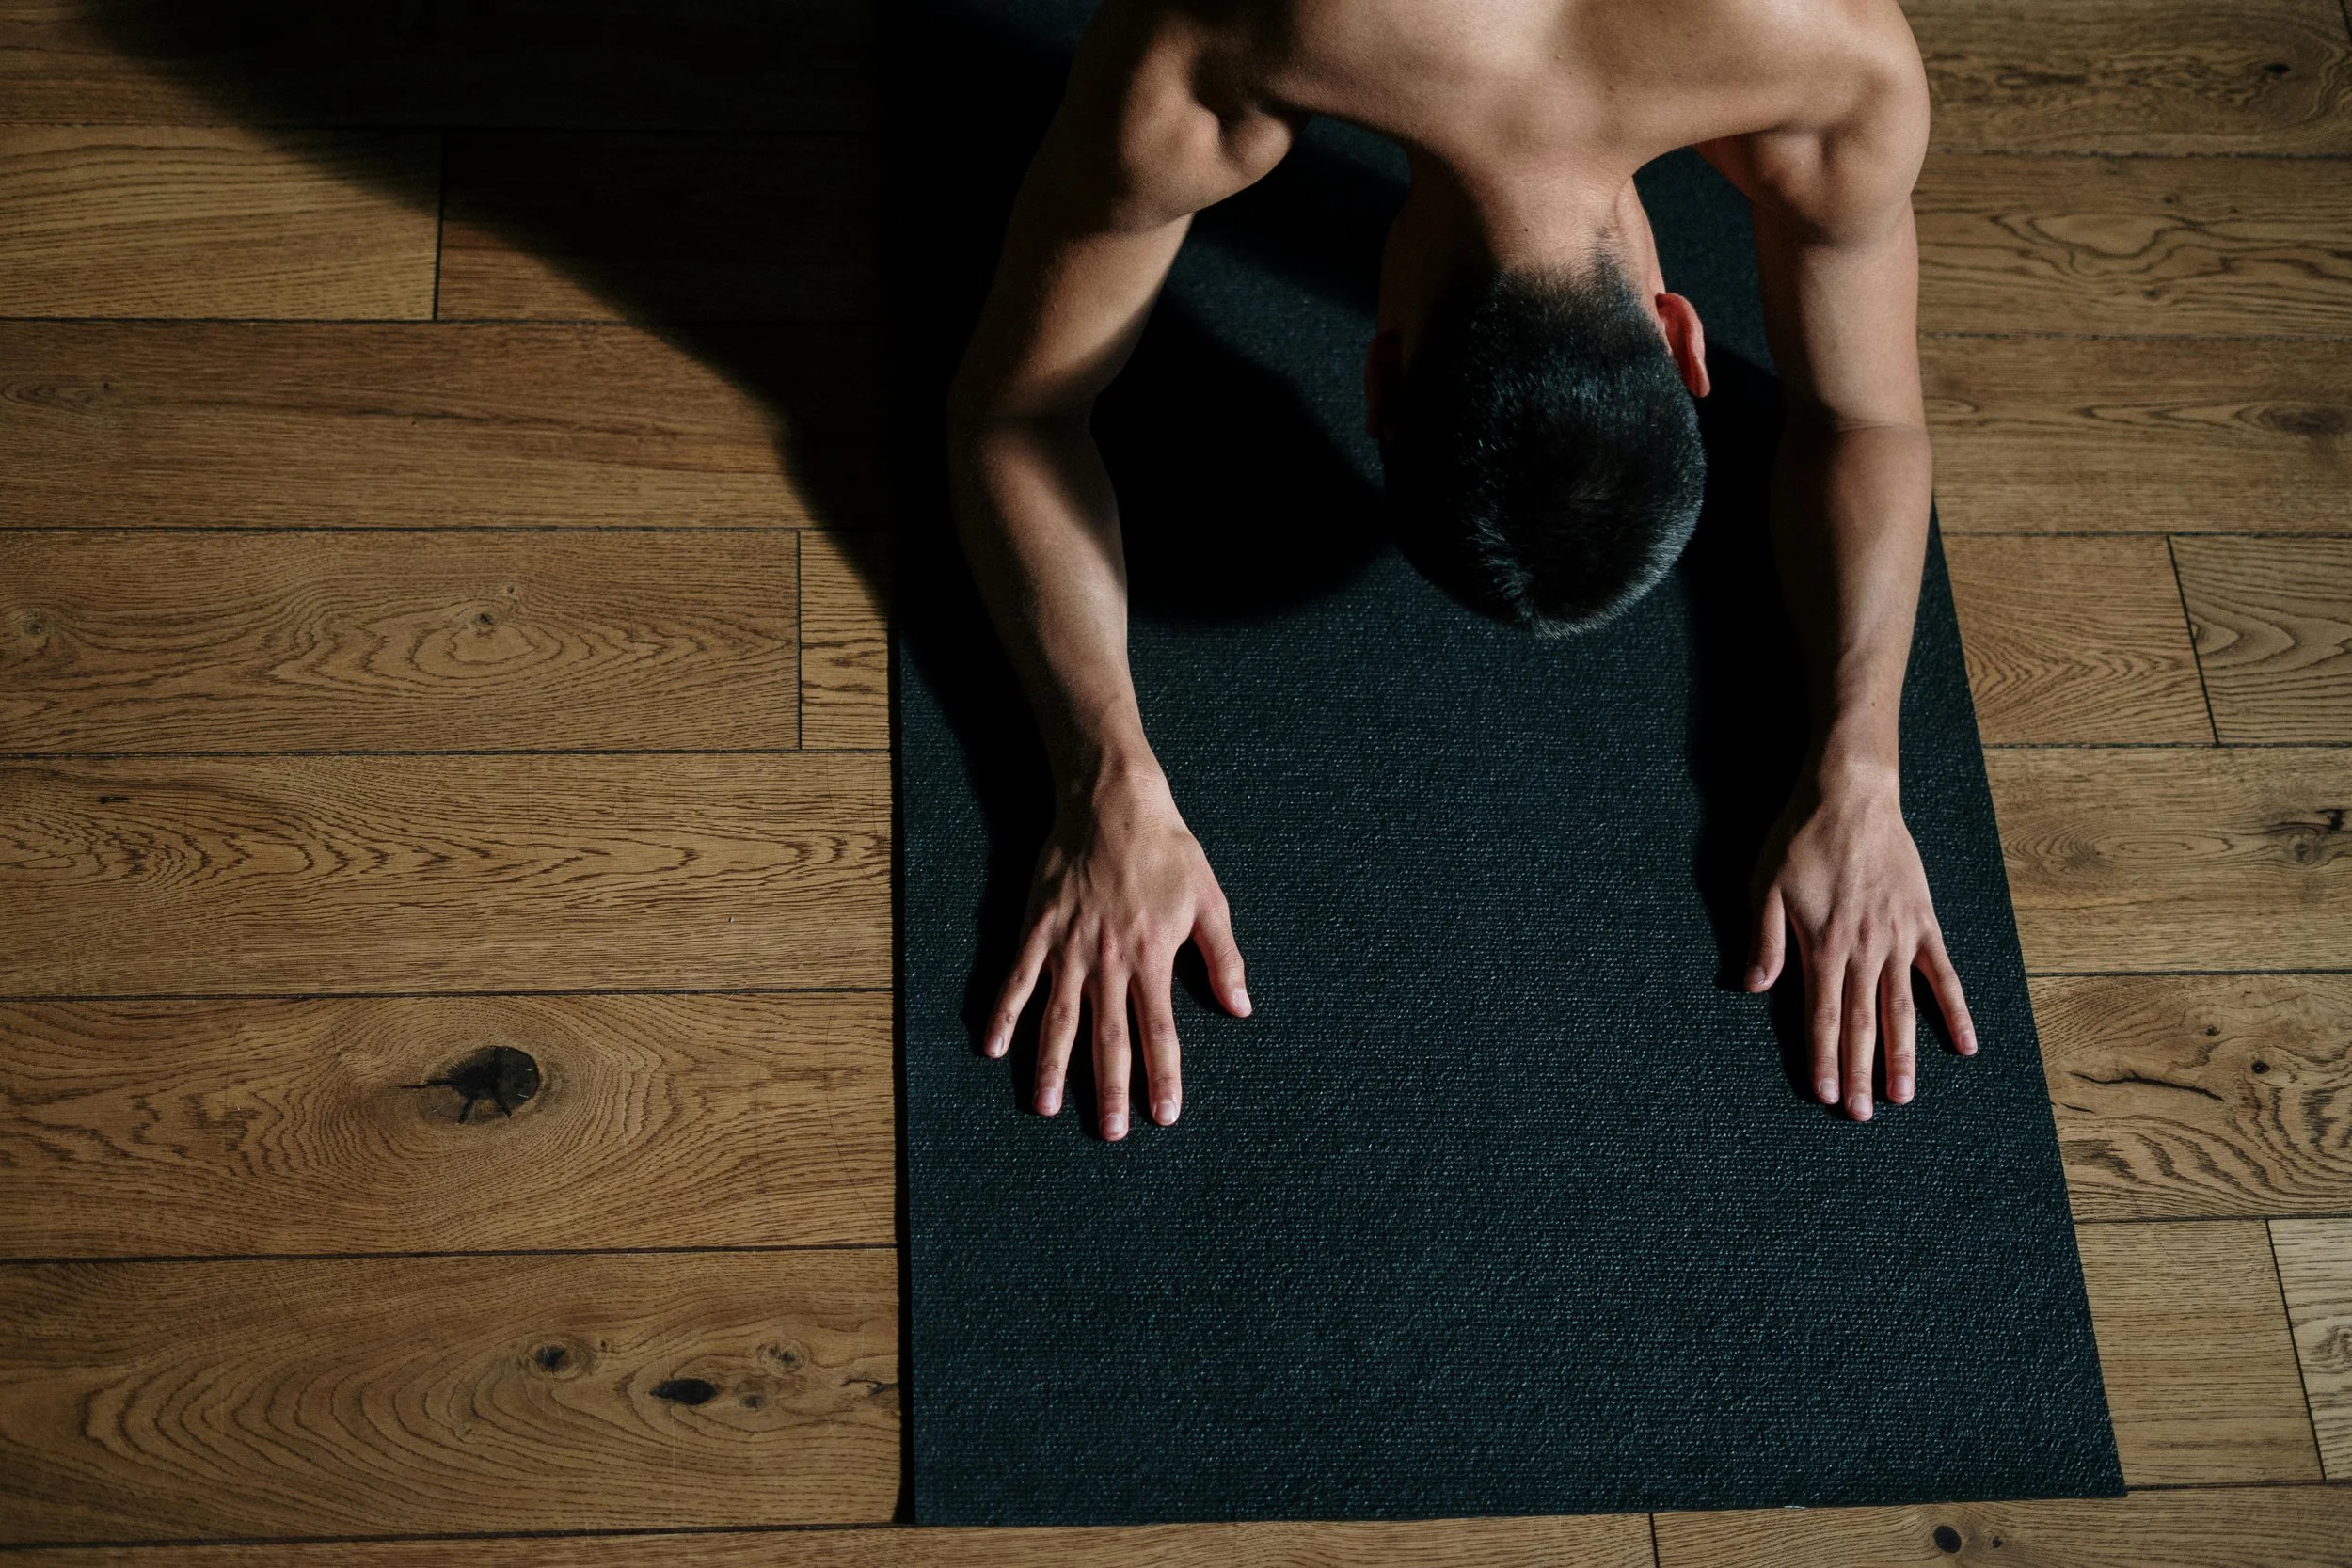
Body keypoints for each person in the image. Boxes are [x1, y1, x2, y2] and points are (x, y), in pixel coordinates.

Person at [945, 0, 1979, 1140]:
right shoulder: (1840, 62)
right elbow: (1011, 418)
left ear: (1686, 342)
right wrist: (1104, 782)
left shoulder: (1221, 47)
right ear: (1683, 337)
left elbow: (1866, 425)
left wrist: (1864, 772)